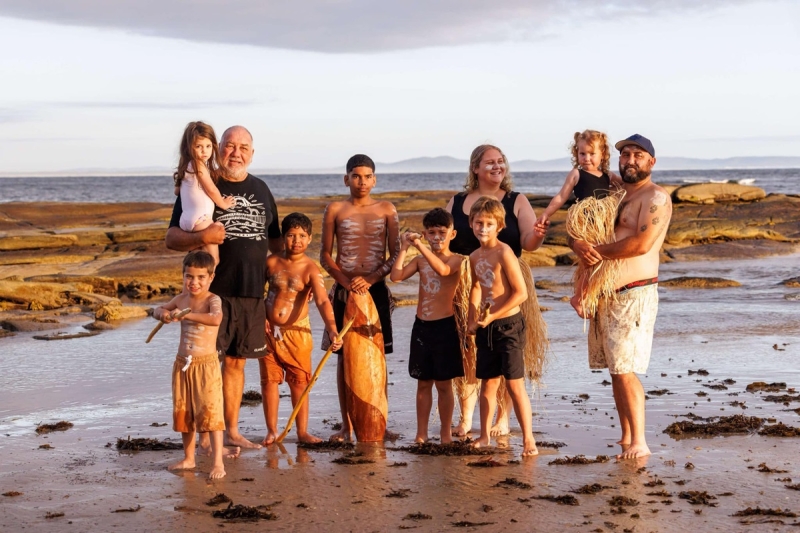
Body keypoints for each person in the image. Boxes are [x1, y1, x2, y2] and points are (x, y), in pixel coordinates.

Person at [165, 126, 283, 450]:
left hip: (251, 293)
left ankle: (231, 432)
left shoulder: (261, 188)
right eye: (229, 146)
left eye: (243, 147)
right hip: (210, 295)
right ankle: (205, 435)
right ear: (218, 150)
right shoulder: (202, 183)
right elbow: (172, 237)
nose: (236, 152)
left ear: (252, 153)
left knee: (236, 364)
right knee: (205, 364)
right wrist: (204, 238)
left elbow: (277, 244)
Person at [569, 134, 672, 460]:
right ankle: (627, 435)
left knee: (626, 368)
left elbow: (641, 244)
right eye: (625, 154)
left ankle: (640, 440)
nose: (629, 160)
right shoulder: (612, 194)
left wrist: (595, 251)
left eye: (637, 155)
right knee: (615, 368)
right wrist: (580, 248)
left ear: (651, 162)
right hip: (606, 293)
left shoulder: (656, 198)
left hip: (634, 294)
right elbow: (583, 230)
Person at [445, 144, 546, 438]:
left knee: (505, 357)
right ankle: (466, 419)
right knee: (468, 355)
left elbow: (528, 242)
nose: (497, 166)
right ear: (475, 168)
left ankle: (502, 418)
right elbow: (445, 241)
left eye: (501, 162)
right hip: (466, 283)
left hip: (507, 284)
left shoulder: (516, 200)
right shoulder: (458, 201)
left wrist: (538, 235)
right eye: (490, 162)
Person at [320, 154, 400, 442]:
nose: (362, 181)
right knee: (344, 357)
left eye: (367, 176)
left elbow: (395, 254)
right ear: (346, 179)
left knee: (378, 357)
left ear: (375, 179)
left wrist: (371, 279)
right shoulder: (335, 209)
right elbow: (325, 256)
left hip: (375, 289)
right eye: (356, 176)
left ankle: (380, 421)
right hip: (344, 290)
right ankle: (347, 425)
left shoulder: (387, 209)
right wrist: (347, 283)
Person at [152, 251, 236, 479]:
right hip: (182, 364)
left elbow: (215, 319)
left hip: (205, 365)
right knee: (184, 412)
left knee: (211, 413)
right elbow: (160, 309)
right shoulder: (181, 299)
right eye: (189, 276)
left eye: (200, 277)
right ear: (183, 276)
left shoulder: (212, 300)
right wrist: (163, 314)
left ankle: (218, 462)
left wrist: (186, 316)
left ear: (210, 277)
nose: (194, 282)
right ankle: (189, 458)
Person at [262, 213, 342, 445]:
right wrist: (260, 317)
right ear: (283, 238)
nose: (296, 241)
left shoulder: (311, 269)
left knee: (299, 382)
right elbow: (256, 292)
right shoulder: (270, 262)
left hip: (297, 332)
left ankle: (302, 431)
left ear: (309, 240)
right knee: (269, 381)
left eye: (302, 236)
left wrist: (332, 330)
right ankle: (271, 430)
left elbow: (322, 301)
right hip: (268, 332)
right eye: (291, 236)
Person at [466, 197, 537, 456]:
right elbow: (476, 287)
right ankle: (484, 435)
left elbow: (520, 294)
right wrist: (473, 319)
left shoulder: (505, 252)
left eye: (488, 224)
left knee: (515, 384)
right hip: (487, 327)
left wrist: (493, 315)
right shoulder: (474, 256)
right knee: (487, 385)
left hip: (508, 325)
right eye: (478, 223)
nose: (483, 228)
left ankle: (529, 439)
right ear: (471, 224)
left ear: (499, 226)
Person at [389, 208, 465, 444]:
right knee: (423, 383)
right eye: (431, 233)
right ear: (424, 234)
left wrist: (420, 246)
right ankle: (421, 433)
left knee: (444, 384)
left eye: (442, 232)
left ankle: (444, 432)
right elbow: (396, 276)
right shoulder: (420, 261)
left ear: (452, 234)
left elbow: (442, 271)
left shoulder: (457, 259)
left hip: (445, 327)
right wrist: (404, 247)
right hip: (422, 327)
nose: (436, 238)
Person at [535, 130, 621, 316]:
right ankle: (579, 297)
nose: (587, 158)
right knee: (589, 260)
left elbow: (625, 187)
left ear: (603, 154)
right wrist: (546, 214)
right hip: (585, 225)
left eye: (592, 154)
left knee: (602, 262)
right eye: (582, 154)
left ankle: (594, 293)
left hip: (602, 226)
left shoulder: (607, 175)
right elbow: (561, 196)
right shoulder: (576, 174)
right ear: (576, 154)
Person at [172, 121, 236, 266]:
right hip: (201, 219)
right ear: (189, 147)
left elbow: (177, 192)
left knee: (197, 260)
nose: (204, 151)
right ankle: (205, 286)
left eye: (208, 146)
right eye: (198, 146)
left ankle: (194, 283)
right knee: (213, 260)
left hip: (186, 220)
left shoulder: (185, 166)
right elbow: (211, 189)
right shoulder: (199, 165)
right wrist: (223, 203)